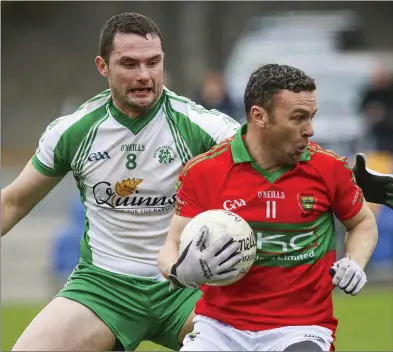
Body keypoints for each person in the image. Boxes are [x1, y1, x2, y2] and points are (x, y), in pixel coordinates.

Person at [0, 12, 391, 352]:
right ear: (103, 66)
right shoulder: (73, 131)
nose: (144, 75)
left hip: (196, 285)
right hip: (104, 288)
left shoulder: (203, 126)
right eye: (129, 64)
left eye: (153, 62)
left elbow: (272, 151)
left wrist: (353, 184)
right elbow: (13, 203)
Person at [158, 64, 379, 351]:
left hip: (302, 328)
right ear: (259, 116)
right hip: (219, 328)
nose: (310, 130)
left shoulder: (329, 168)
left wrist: (355, 262)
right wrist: (178, 270)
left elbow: (362, 222)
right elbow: (171, 245)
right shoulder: (204, 171)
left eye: (311, 117)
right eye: (298, 118)